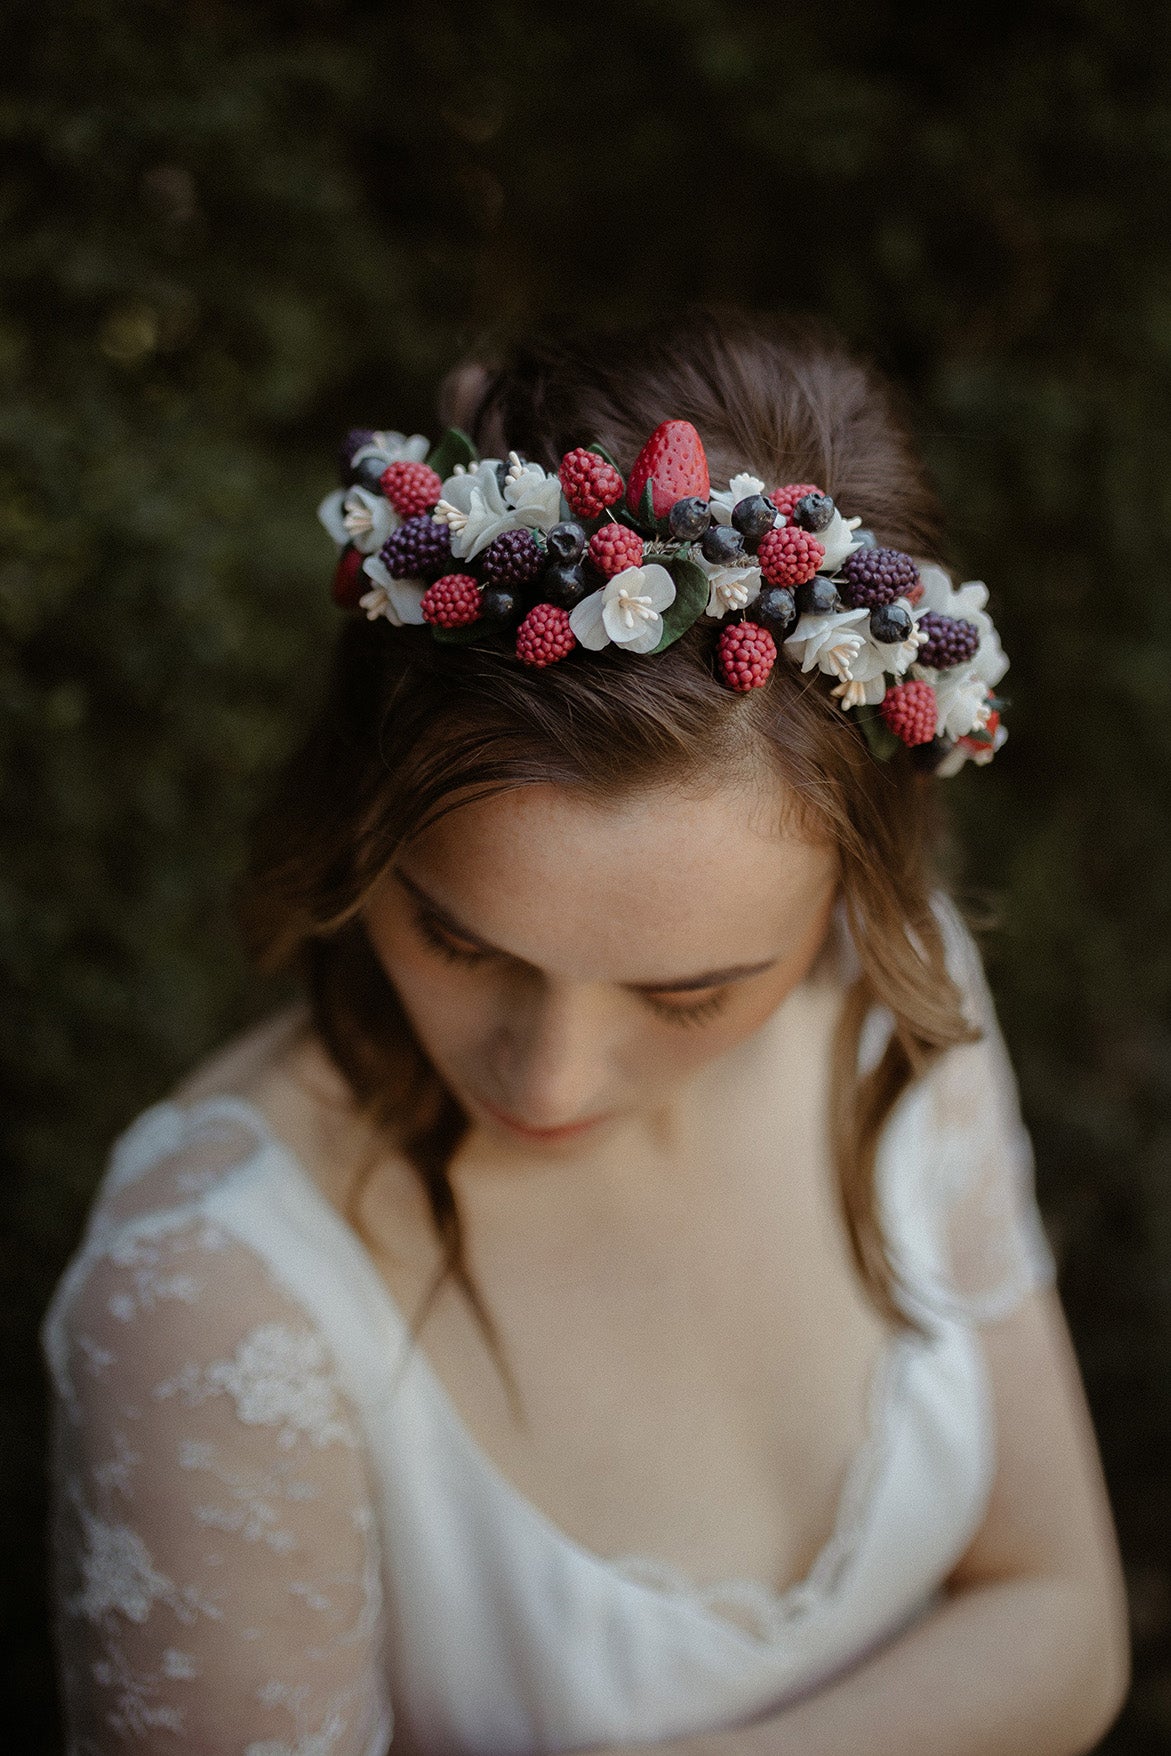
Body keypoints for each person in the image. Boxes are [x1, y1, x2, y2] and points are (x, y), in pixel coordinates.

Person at [40, 305, 1130, 1756]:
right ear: (359, 829)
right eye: (454, 937)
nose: (546, 1074)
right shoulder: (212, 1295)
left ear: (846, 900)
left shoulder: (896, 995)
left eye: (691, 995)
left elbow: (1063, 1624)